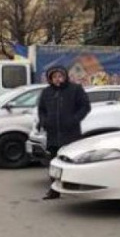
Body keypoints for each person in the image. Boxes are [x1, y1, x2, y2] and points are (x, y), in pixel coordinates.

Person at [37, 67, 91, 200]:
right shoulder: (47, 92)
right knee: (54, 163)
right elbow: (42, 110)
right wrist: (44, 121)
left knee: (72, 161)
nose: (57, 79)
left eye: (60, 76)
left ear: (65, 76)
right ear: (50, 79)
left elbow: (85, 106)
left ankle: (75, 187)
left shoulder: (75, 89)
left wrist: (74, 119)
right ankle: (54, 190)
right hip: (53, 134)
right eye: (54, 77)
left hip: (70, 133)